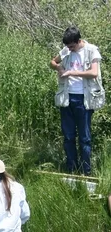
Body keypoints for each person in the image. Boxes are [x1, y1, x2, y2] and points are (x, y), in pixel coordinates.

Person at [50, 26, 104, 176]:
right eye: (68, 46)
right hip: (66, 98)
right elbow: (52, 62)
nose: (70, 49)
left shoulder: (92, 50)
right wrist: (59, 69)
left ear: (79, 41)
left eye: (72, 46)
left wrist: (72, 72)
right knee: (68, 136)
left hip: (84, 99)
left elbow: (94, 73)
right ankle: (71, 169)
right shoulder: (66, 50)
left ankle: (86, 171)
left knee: (84, 137)